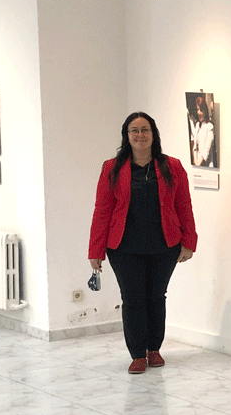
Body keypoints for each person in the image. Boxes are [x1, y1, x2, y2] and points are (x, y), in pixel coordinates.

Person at [89, 112, 197, 374]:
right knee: (133, 298)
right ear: (127, 136)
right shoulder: (112, 168)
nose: (140, 135)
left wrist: (189, 241)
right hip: (124, 247)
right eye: (134, 131)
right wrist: (96, 251)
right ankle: (137, 354)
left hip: (164, 245)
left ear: (153, 134)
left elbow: (184, 205)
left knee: (157, 297)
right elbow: (102, 210)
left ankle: (154, 349)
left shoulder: (173, 167)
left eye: (145, 130)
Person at [189, 96, 216, 168]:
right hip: (196, 165)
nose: (199, 113)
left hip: (206, 166)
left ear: (205, 111)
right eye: (197, 109)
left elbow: (206, 151)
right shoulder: (197, 125)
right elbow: (195, 145)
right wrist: (195, 161)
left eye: (201, 110)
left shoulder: (209, 126)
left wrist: (199, 164)